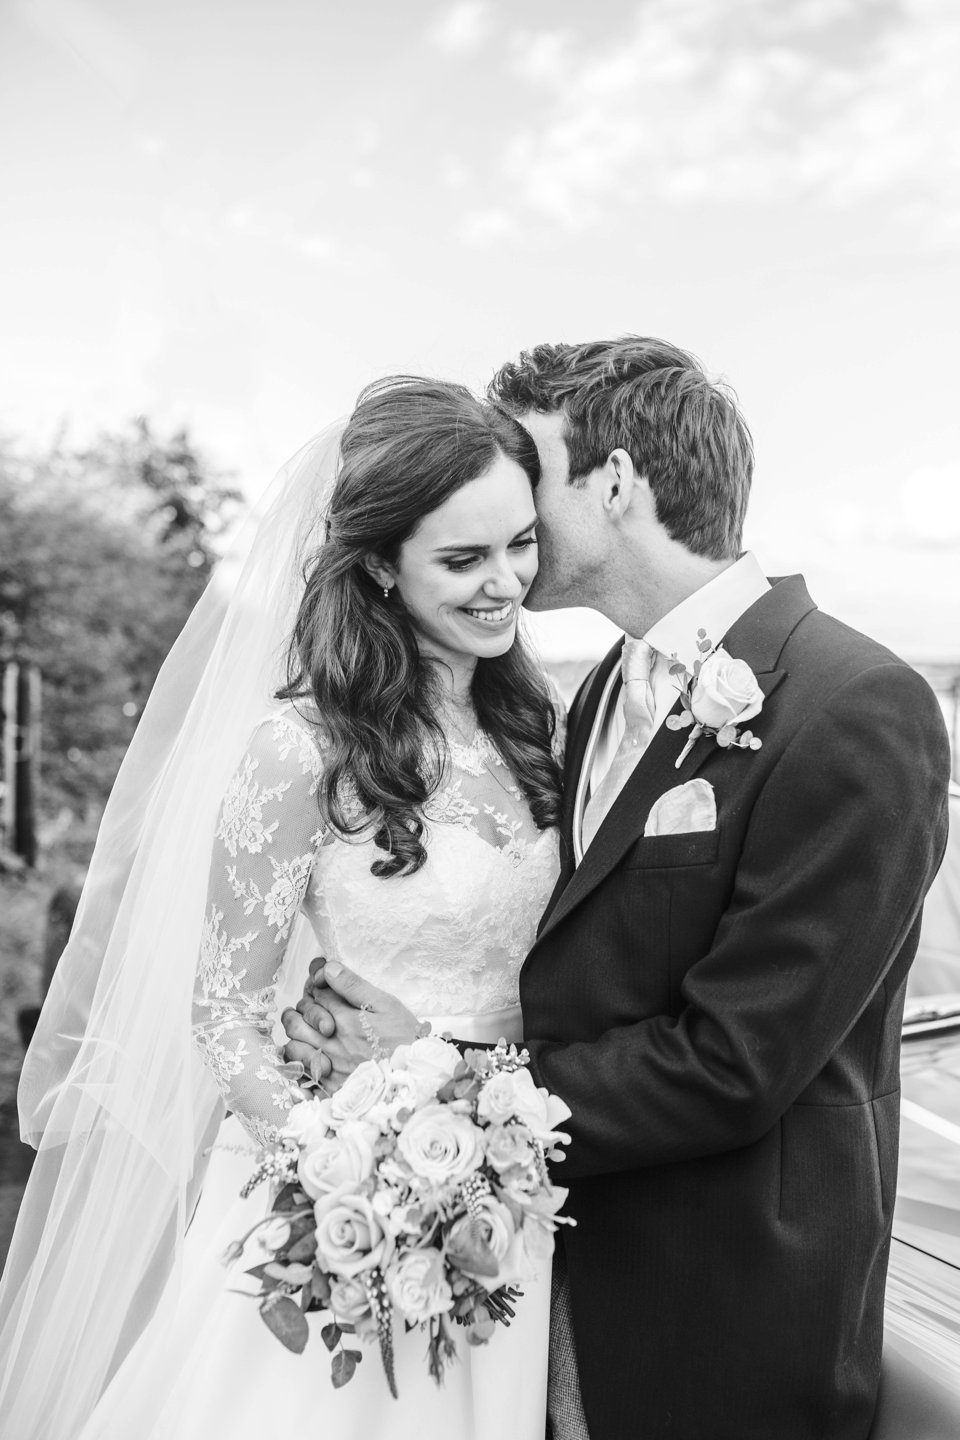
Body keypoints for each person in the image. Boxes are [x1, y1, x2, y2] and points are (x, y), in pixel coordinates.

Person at [283, 338, 953, 1440]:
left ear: (615, 483)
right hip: (538, 1274)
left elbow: (735, 1062)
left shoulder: (854, 704)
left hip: (721, 1313)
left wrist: (439, 1075)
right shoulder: (592, 691)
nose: (506, 498)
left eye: (528, 467)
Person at [0, 377, 567, 1439]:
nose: (507, 585)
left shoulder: (544, 733)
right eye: (464, 559)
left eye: (521, 545)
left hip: (515, 1201)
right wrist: (352, 1167)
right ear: (380, 570)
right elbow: (223, 1015)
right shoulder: (299, 752)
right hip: (350, 1209)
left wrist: (486, 1132)